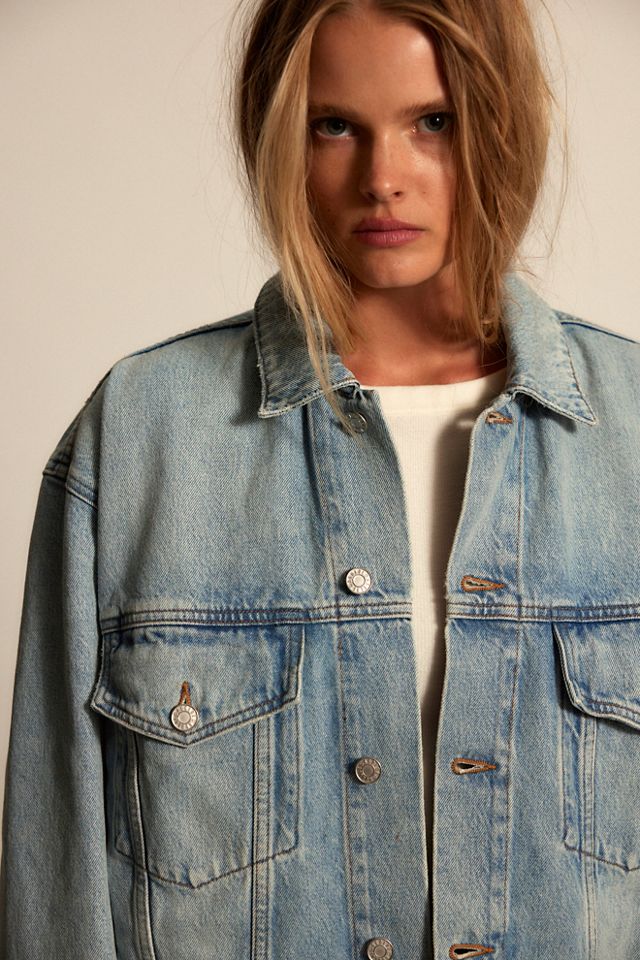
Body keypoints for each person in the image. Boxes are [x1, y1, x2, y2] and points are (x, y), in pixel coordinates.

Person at [2, 1, 640, 958]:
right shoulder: (140, 435)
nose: (382, 178)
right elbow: (55, 880)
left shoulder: (631, 435)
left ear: (503, 125)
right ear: (276, 138)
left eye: (434, 122)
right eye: (334, 125)